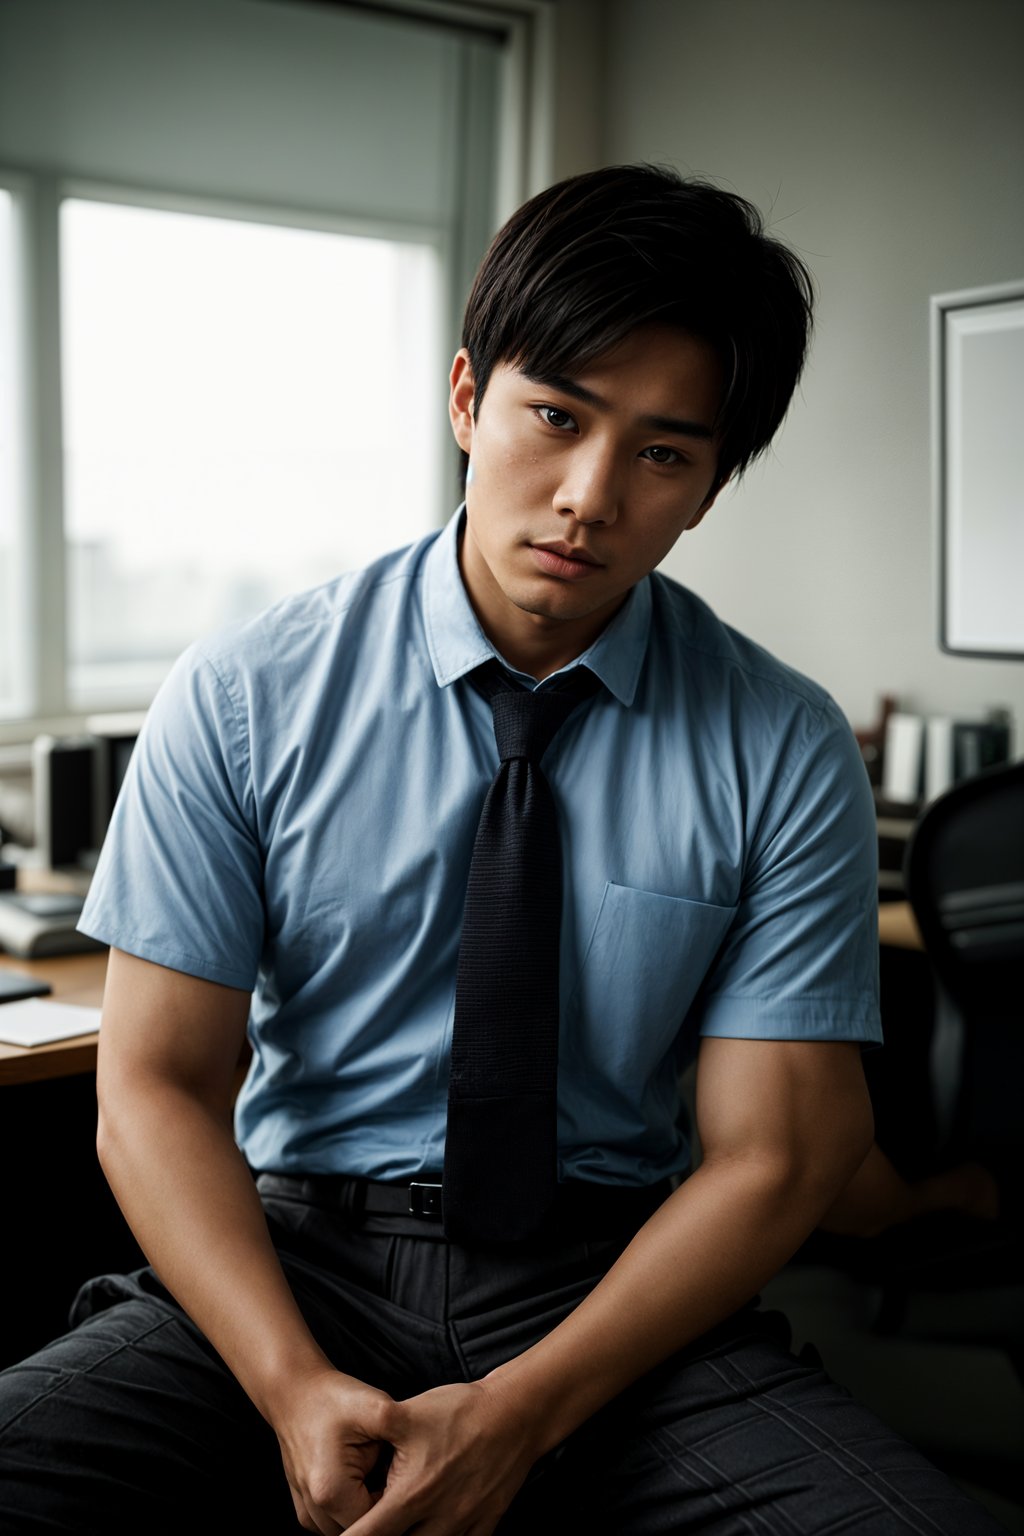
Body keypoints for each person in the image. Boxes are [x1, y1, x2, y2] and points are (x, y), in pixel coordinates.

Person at [0, 164, 1004, 1535]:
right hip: (294, 1264)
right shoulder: (247, 690)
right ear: (468, 397)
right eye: (556, 416)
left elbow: (769, 1158)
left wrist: (520, 1413)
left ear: (710, 486)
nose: (590, 496)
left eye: (664, 453)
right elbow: (158, 1089)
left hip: (615, 1289)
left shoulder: (782, 743)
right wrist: (293, 1387)